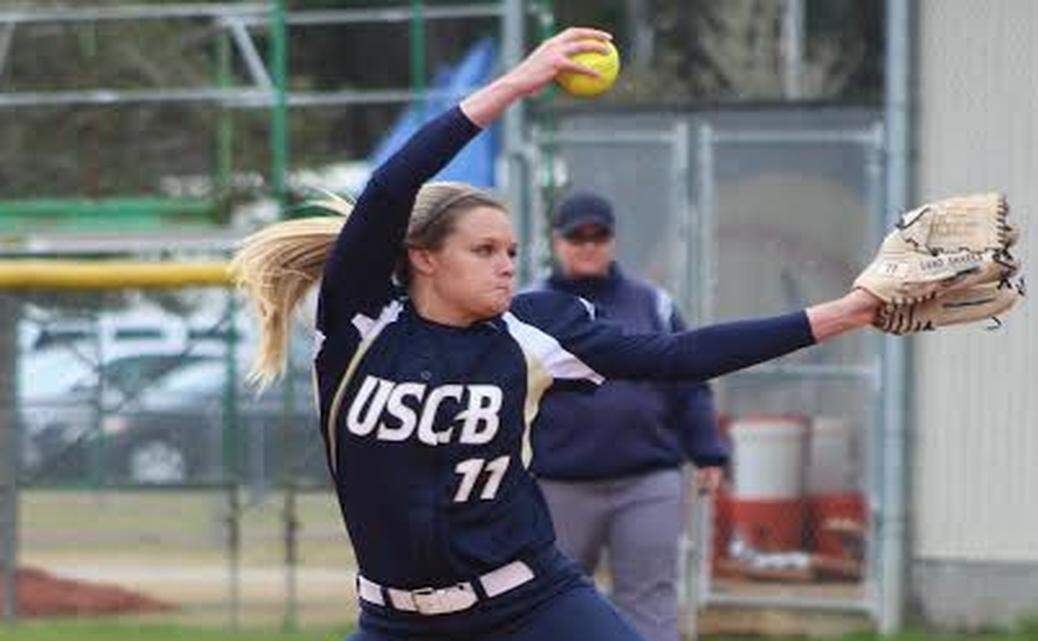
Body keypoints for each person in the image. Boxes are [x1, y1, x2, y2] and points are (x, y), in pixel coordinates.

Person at [231, 27, 882, 641]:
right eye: (484, 249)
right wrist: (515, 84)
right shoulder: (360, 322)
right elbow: (392, 184)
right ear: (424, 256)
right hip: (395, 620)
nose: (506, 262)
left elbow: (678, 354)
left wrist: (846, 311)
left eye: (511, 248)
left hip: (530, 603)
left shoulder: (536, 328)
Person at [529, 191, 723, 641]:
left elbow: (688, 380)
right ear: (557, 241)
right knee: (550, 602)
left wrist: (708, 452)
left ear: (613, 240)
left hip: (646, 479)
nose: (588, 245)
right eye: (576, 236)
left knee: (650, 599)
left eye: (599, 235)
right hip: (558, 483)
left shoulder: (652, 303)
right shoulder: (531, 306)